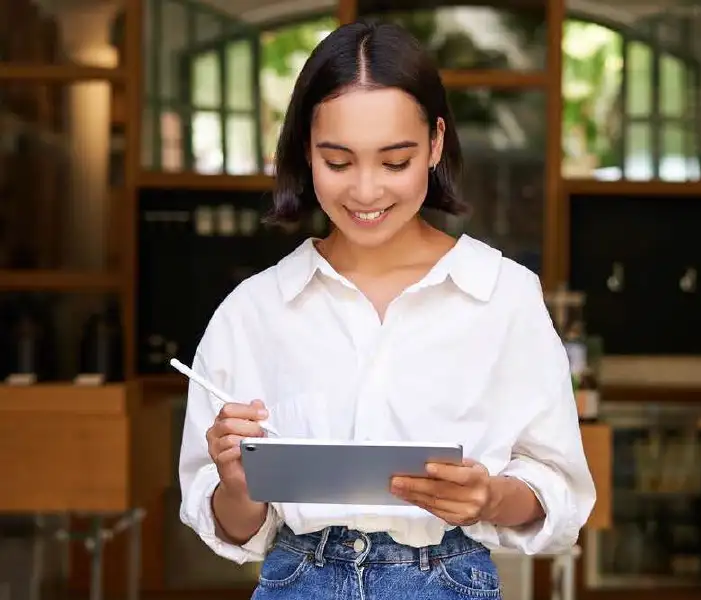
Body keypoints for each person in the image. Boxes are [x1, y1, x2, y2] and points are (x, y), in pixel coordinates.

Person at [178, 20, 596, 600]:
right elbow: (232, 528)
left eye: (395, 162)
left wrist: (489, 496)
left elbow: (560, 493)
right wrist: (237, 484)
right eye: (339, 162)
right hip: (296, 581)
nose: (367, 191)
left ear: (435, 143)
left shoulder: (503, 296)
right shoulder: (254, 311)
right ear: (306, 150)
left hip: (450, 580)